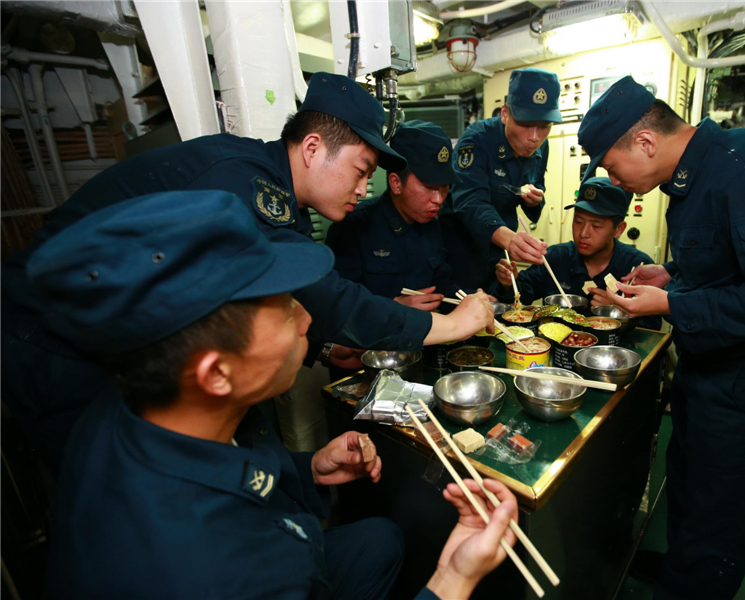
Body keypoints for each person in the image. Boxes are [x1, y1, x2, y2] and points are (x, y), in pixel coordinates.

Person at [35, 190, 517, 600]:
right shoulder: (228, 570)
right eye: (286, 310)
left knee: (380, 539)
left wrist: (307, 470)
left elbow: (226, 469)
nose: (307, 320)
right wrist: (454, 576)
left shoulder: (120, 413)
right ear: (216, 372)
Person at [0, 72, 493, 472]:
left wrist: (323, 344)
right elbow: (328, 297)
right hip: (50, 335)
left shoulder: (279, 195)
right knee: (108, 487)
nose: (365, 188)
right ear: (313, 148)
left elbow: (284, 299)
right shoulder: (247, 183)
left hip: (105, 334)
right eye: (362, 170)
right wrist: (453, 325)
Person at [577, 77, 745, 599]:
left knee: (722, 508)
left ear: (644, 143)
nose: (614, 179)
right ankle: (681, 570)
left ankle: (697, 584)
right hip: (710, 366)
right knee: (690, 482)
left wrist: (674, 304)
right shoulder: (696, 175)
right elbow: (734, 266)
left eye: (610, 166)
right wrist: (673, 277)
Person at [440, 68, 562, 290]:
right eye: (525, 124)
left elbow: (538, 187)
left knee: (501, 309)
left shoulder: (542, 147)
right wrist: (510, 239)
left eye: (544, 126)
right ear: (505, 114)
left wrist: (534, 201)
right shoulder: (477, 140)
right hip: (463, 250)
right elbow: (469, 201)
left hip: (500, 252)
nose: (534, 137)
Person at [491, 176, 662, 330]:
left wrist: (618, 311)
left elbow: (652, 328)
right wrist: (508, 281)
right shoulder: (555, 257)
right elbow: (521, 296)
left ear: (619, 229)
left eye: (596, 226)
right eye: (578, 221)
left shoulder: (637, 267)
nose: (583, 233)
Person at [326, 120, 461, 311]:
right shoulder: (353, 228)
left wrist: (470, 301)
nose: (439, 199)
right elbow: (336, 307)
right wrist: (392, 308)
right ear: (396, 183)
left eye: (445, 187)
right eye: (429, 187)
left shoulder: (431, 224)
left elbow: (442, 285)